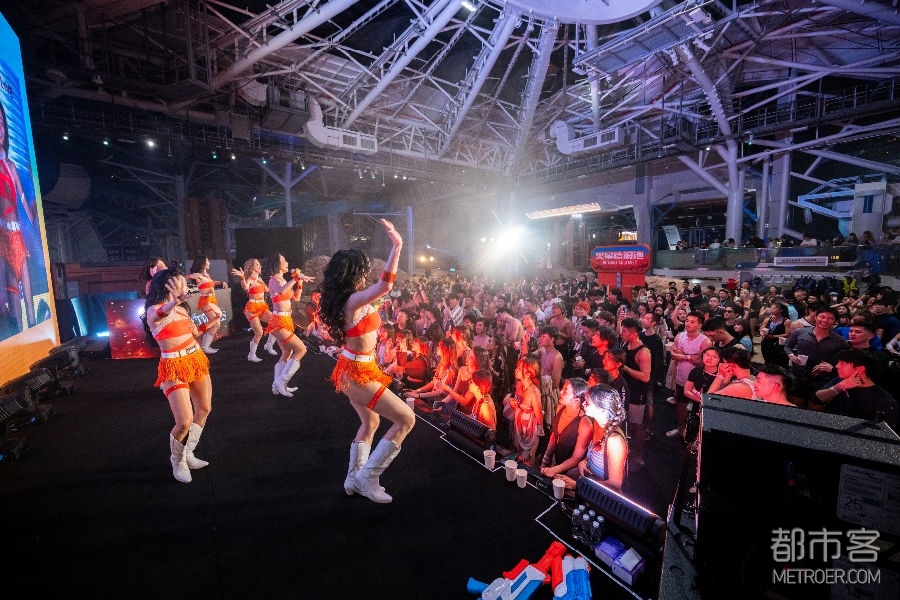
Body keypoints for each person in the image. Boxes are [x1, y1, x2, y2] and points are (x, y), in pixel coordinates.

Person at [319, 218, 414, 504]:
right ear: (353, 274)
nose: (366, 273)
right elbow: (385, 285)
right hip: (357, 372)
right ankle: (369, 478)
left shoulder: (349, 299)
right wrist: (397, 246)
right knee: (406, 419)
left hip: (355, 367)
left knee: (371, 422)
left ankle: (353, 478)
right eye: (363, 270)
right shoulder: (352, 301)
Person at [143, 268, 212, 483]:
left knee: (204, 409)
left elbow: (195, 332)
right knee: (184, 422)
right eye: (181, 282)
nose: (185, 286)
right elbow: (160, 314)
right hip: (173, 366)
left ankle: (188, 452)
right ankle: (177, 460)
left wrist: (212, 320)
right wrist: (174, 302)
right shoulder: (154, 310)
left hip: (195, 359)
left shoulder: (183, 309)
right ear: (168, 286)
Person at [0, 102, 37, 332]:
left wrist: (32, 223)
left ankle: (32, 329)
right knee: (12, 295)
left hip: (17, 236)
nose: (0, 129)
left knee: (28, 299)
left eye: (1, 123)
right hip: (2, 237)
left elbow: (22, 199)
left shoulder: (11, 165)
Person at [262, 253, 314, 397]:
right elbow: (281, 291)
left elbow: (296, 298)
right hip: (278, 322)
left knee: (287, 352)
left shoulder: (283, 280)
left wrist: (300, 282)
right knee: (301, 349)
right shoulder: (274, 280)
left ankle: (277, 385)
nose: (287, 262)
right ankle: (281, 381)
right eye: (284, 260)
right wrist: (296, 278)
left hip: (285, 320)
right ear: (277, 264)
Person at [813, 349, 898, 430]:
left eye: (842, 363)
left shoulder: (884, 400)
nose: (836, 366)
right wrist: (838, 387)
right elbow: (817, 398)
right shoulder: (839, 380)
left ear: (860, 369)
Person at [572, 384, 629, 492]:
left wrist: (578, 485)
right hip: (590, 478)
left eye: (588, 402)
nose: (583, 404)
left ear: (603, 410)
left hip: (602, 493)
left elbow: (614, 484)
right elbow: (594, 453)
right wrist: (584, 462)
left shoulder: (614, 441)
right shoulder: (598, 424)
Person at [540, 378, 592, 481]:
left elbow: (577, 458)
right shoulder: (560, 408)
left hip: (568, 471)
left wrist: (555, 469)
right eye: (562, 388)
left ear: (577, 400)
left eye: (566, 391)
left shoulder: (585, 424)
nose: (560, 392)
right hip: (555, 461)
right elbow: (554, 435)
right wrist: (545, 460)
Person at [231, 257, 277, 362]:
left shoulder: (259, 279)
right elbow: (245, 287)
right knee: (259, 332)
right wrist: (242, 278)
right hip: (252, 308)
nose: (260, 266)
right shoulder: (249, 279)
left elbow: (268, 290)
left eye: (259, 264)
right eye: (257, 264)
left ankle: (269, 345)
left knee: (275, 323)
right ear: (251, 267)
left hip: (262, 307)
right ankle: (251, 355)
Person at [502, 355, 543, 464]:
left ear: (528, 374)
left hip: (529, 433)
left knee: (526, 461)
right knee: (516, 456)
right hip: (518, 427)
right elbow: (515, 402)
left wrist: (534, 444)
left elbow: (539, 419)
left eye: (519, 368)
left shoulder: (534, 393)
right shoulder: (519, 384)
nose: (516, 369)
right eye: (517, 367)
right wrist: (512, 402)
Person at [187, 255, 228, 354]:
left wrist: (221, 282)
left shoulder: (206, 275)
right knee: (217, 319)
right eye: (207, 261)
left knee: (216, 324)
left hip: (211, 300)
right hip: (205, 301)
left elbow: (212, 283)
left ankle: (205, 346)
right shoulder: (198, 275)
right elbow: (187, 276)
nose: (209, 263)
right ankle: (203, 344)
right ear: (203, 263)